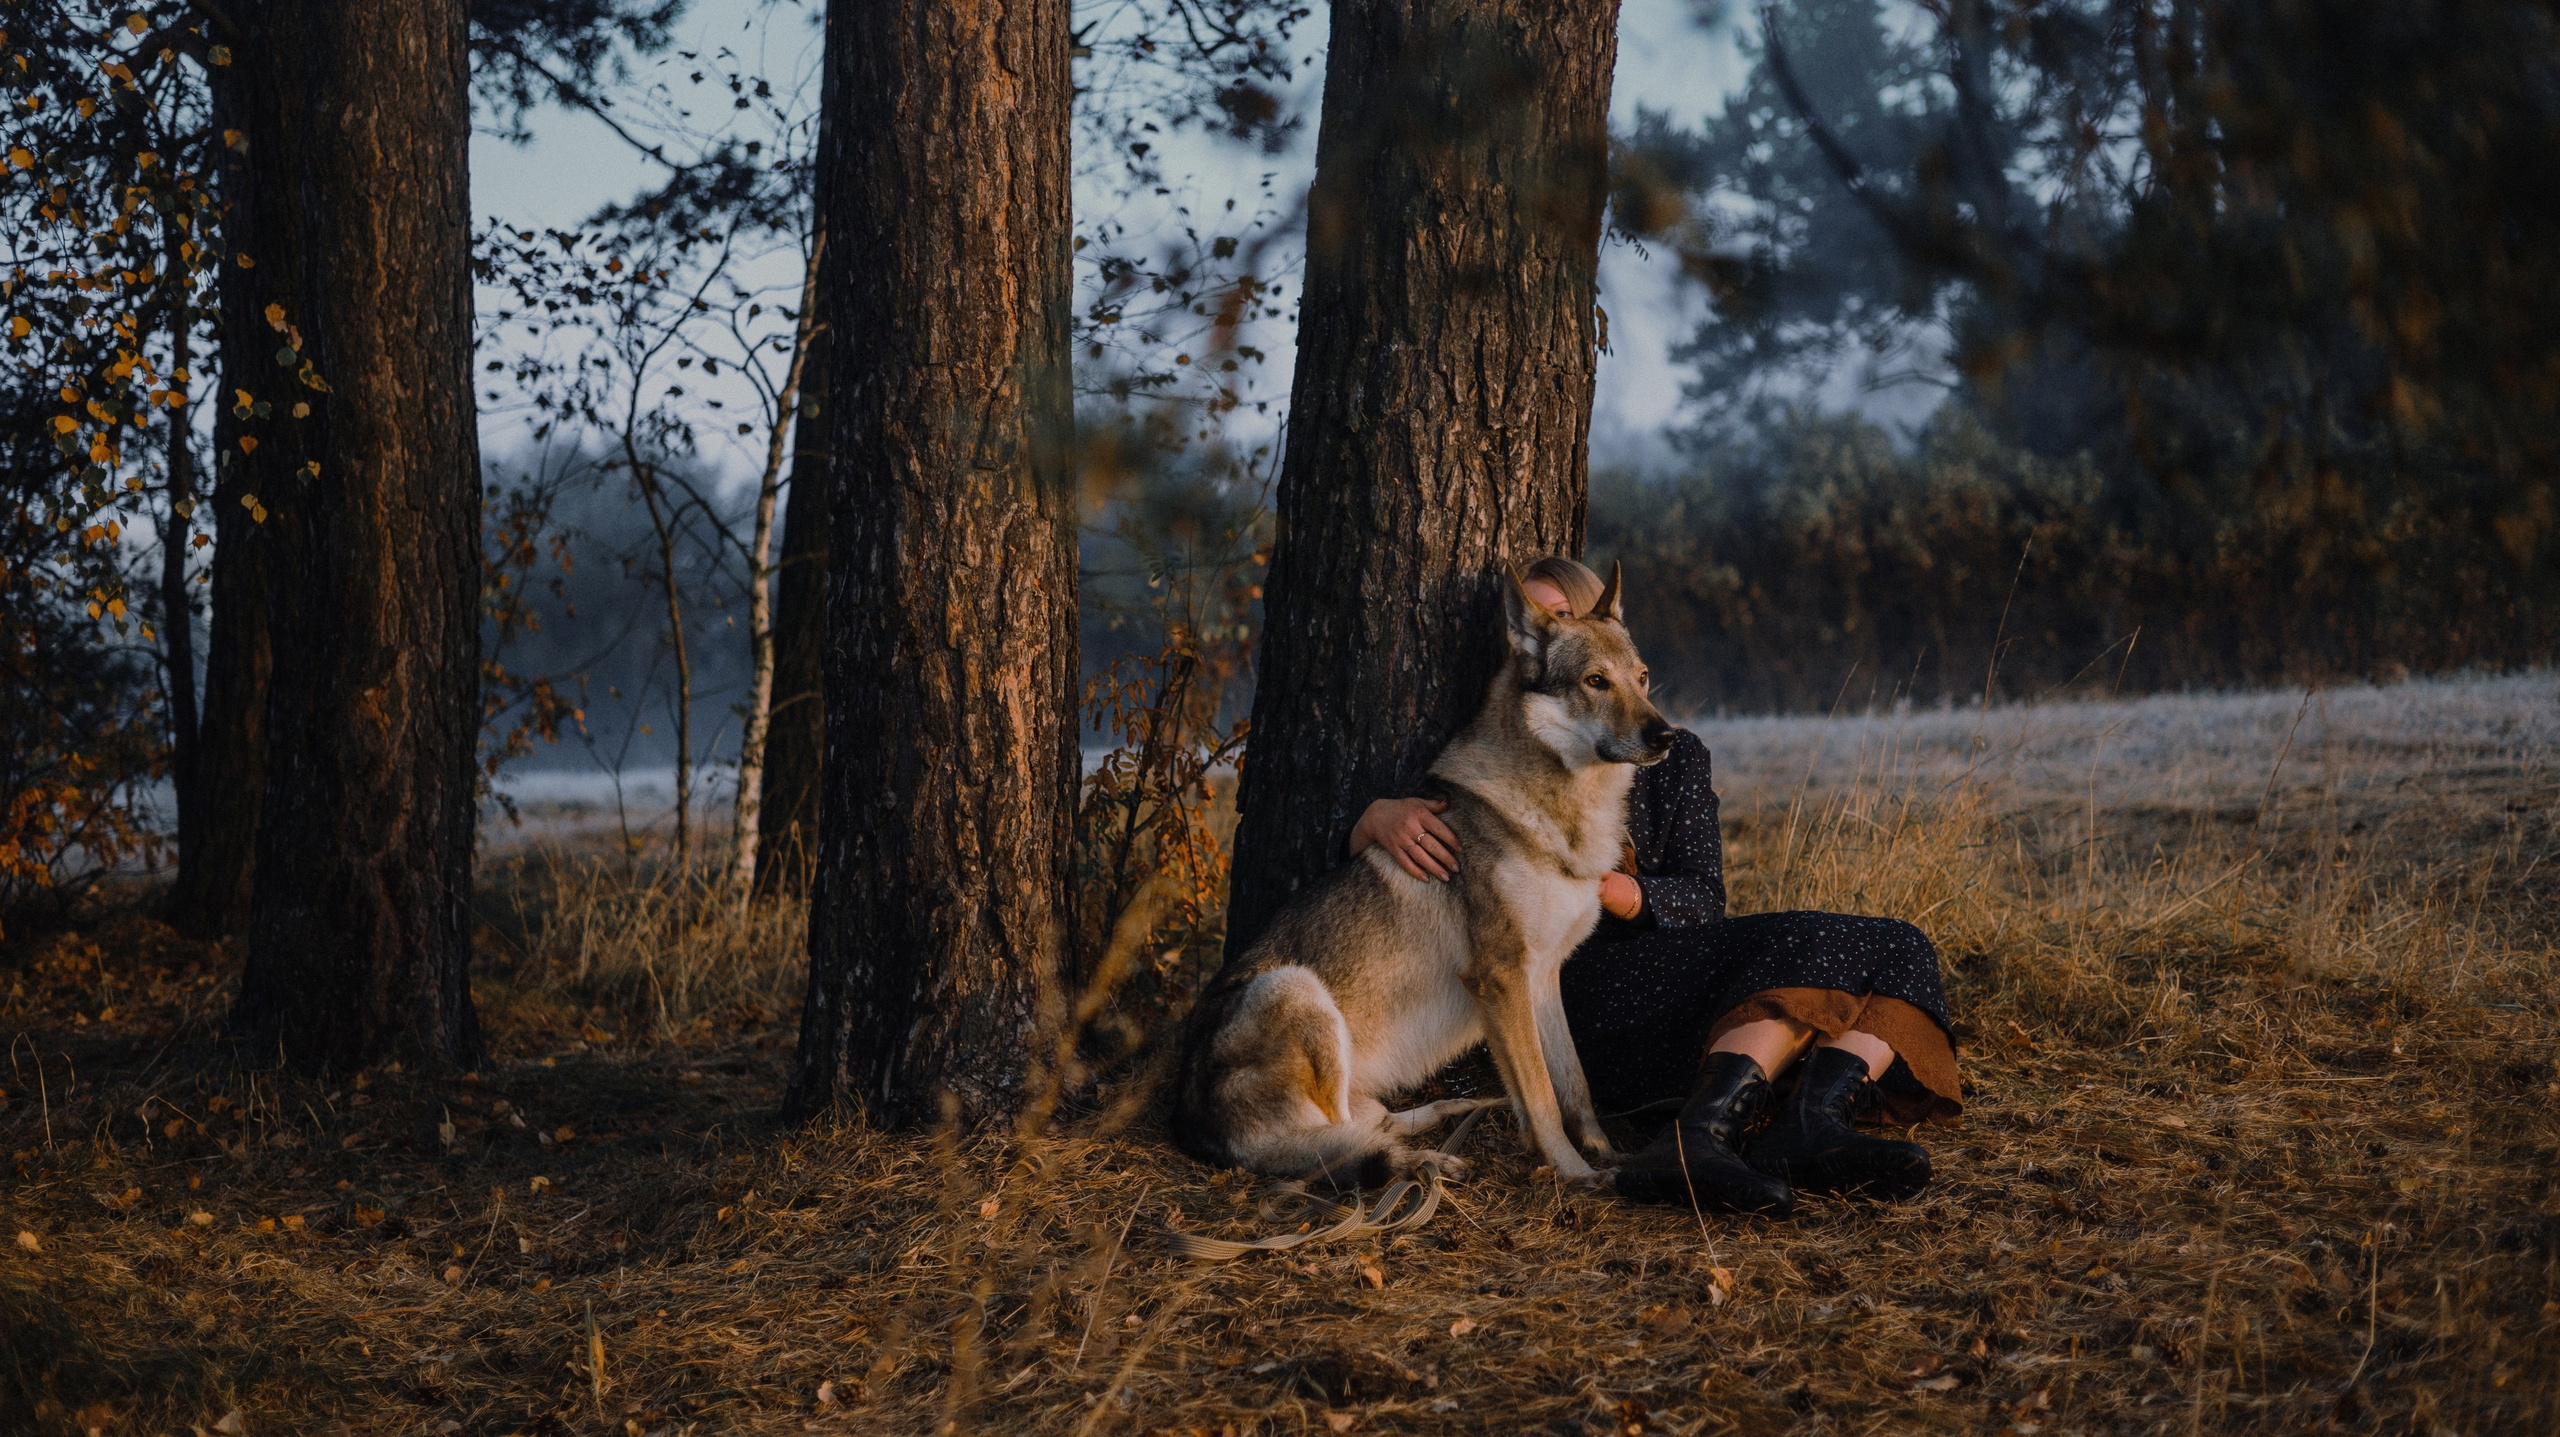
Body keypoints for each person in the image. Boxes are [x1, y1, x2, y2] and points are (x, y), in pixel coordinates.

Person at [1346, 556, 1963, 1213]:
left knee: (1904, 946)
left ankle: (1809, 1124)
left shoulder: (1676, 758)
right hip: (1593, 994)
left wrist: (1621, 891)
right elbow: (1444, 885)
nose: (1634, 702)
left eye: (1633, 678)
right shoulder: (1501, 757)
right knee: (1804, 942)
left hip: (1679, 971)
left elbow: (1704, 900)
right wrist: (1369, 822)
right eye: (1543, 625)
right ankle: (1698, 1136)